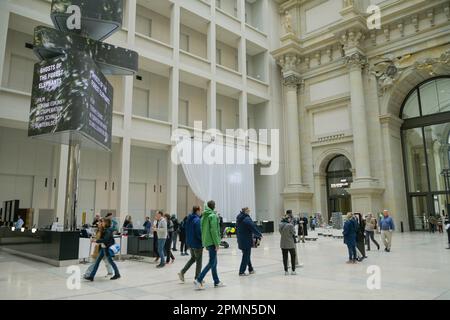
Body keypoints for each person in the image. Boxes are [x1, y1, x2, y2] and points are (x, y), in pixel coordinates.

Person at [194, 201, 225, 290]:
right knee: (212, 262)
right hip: (212, 242)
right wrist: (217, 243)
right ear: (214, 207)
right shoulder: (213, 216)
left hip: (206, 241)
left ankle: (217, 281)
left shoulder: (204, 216)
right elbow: (214, 231)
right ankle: (199, 279)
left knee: (214, 262)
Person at [178, 206, 203, 283]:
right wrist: (203, 241)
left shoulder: (188, 219)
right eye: (200, 210)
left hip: (190, 243)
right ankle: (197, 278)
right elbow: (199, 233)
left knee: (193, 258)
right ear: (197, 211)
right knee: (199, 261)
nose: (201, 212)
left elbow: (184, 228)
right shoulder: (197, 220)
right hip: (197, 244)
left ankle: (182, 272)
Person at [236, 207, 262, 276]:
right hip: (246, 240)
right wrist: (259, 234)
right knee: (246, 256)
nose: (249, 212)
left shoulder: (239, 218)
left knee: (246, 255)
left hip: (241, 240)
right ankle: (241, 271)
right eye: (249, 211)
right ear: (246, 211)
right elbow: (253, 226)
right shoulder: (246, 218)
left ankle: (250, 269)